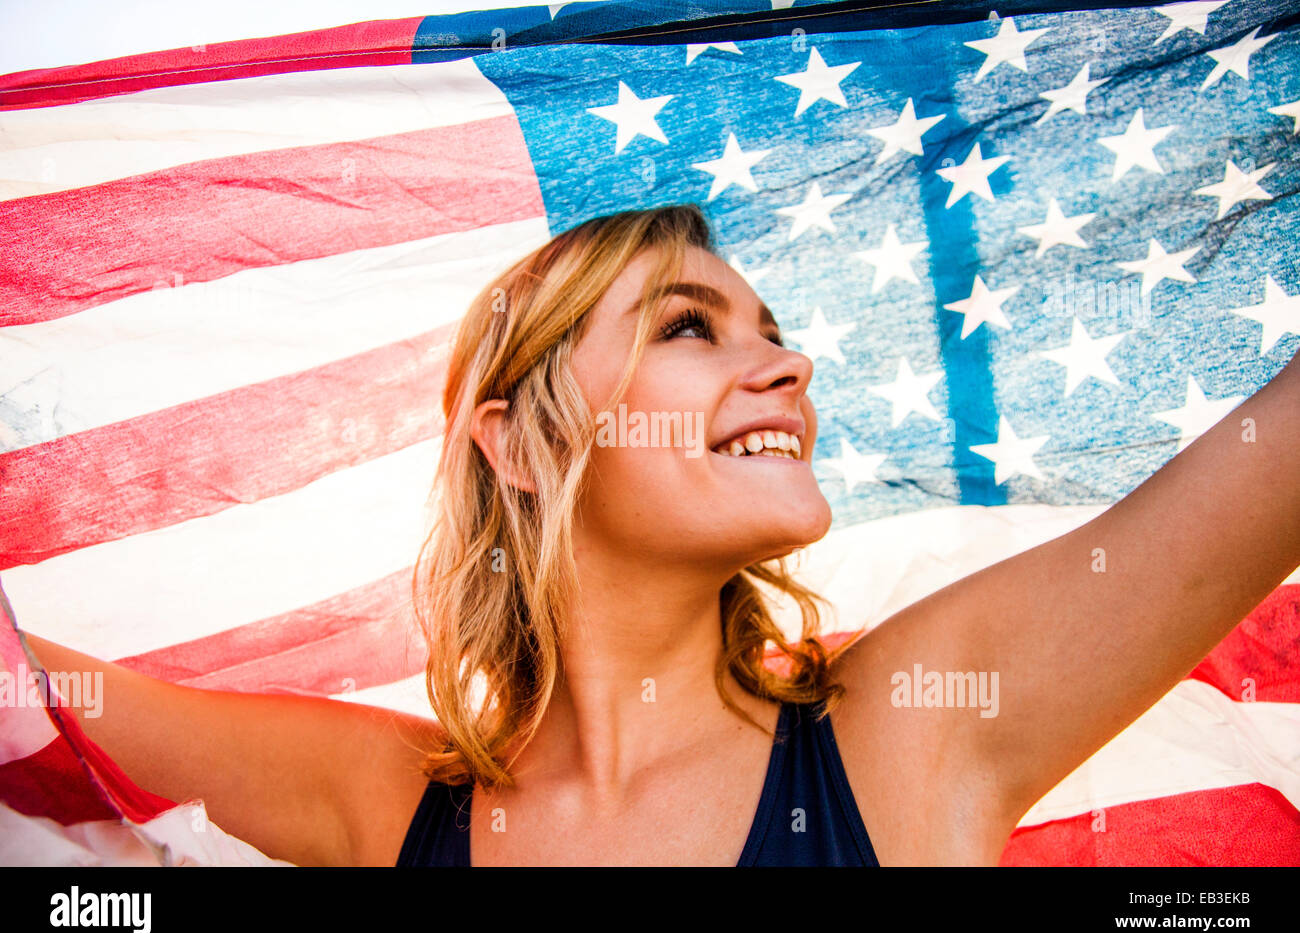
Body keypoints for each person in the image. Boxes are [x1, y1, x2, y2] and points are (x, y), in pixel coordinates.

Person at [21, 204, 1300, 866]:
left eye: (771, 328)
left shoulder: (908, 727)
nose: (788, 365)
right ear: (517, 443)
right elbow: (36, 695)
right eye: (691, 326)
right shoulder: (393, 803)